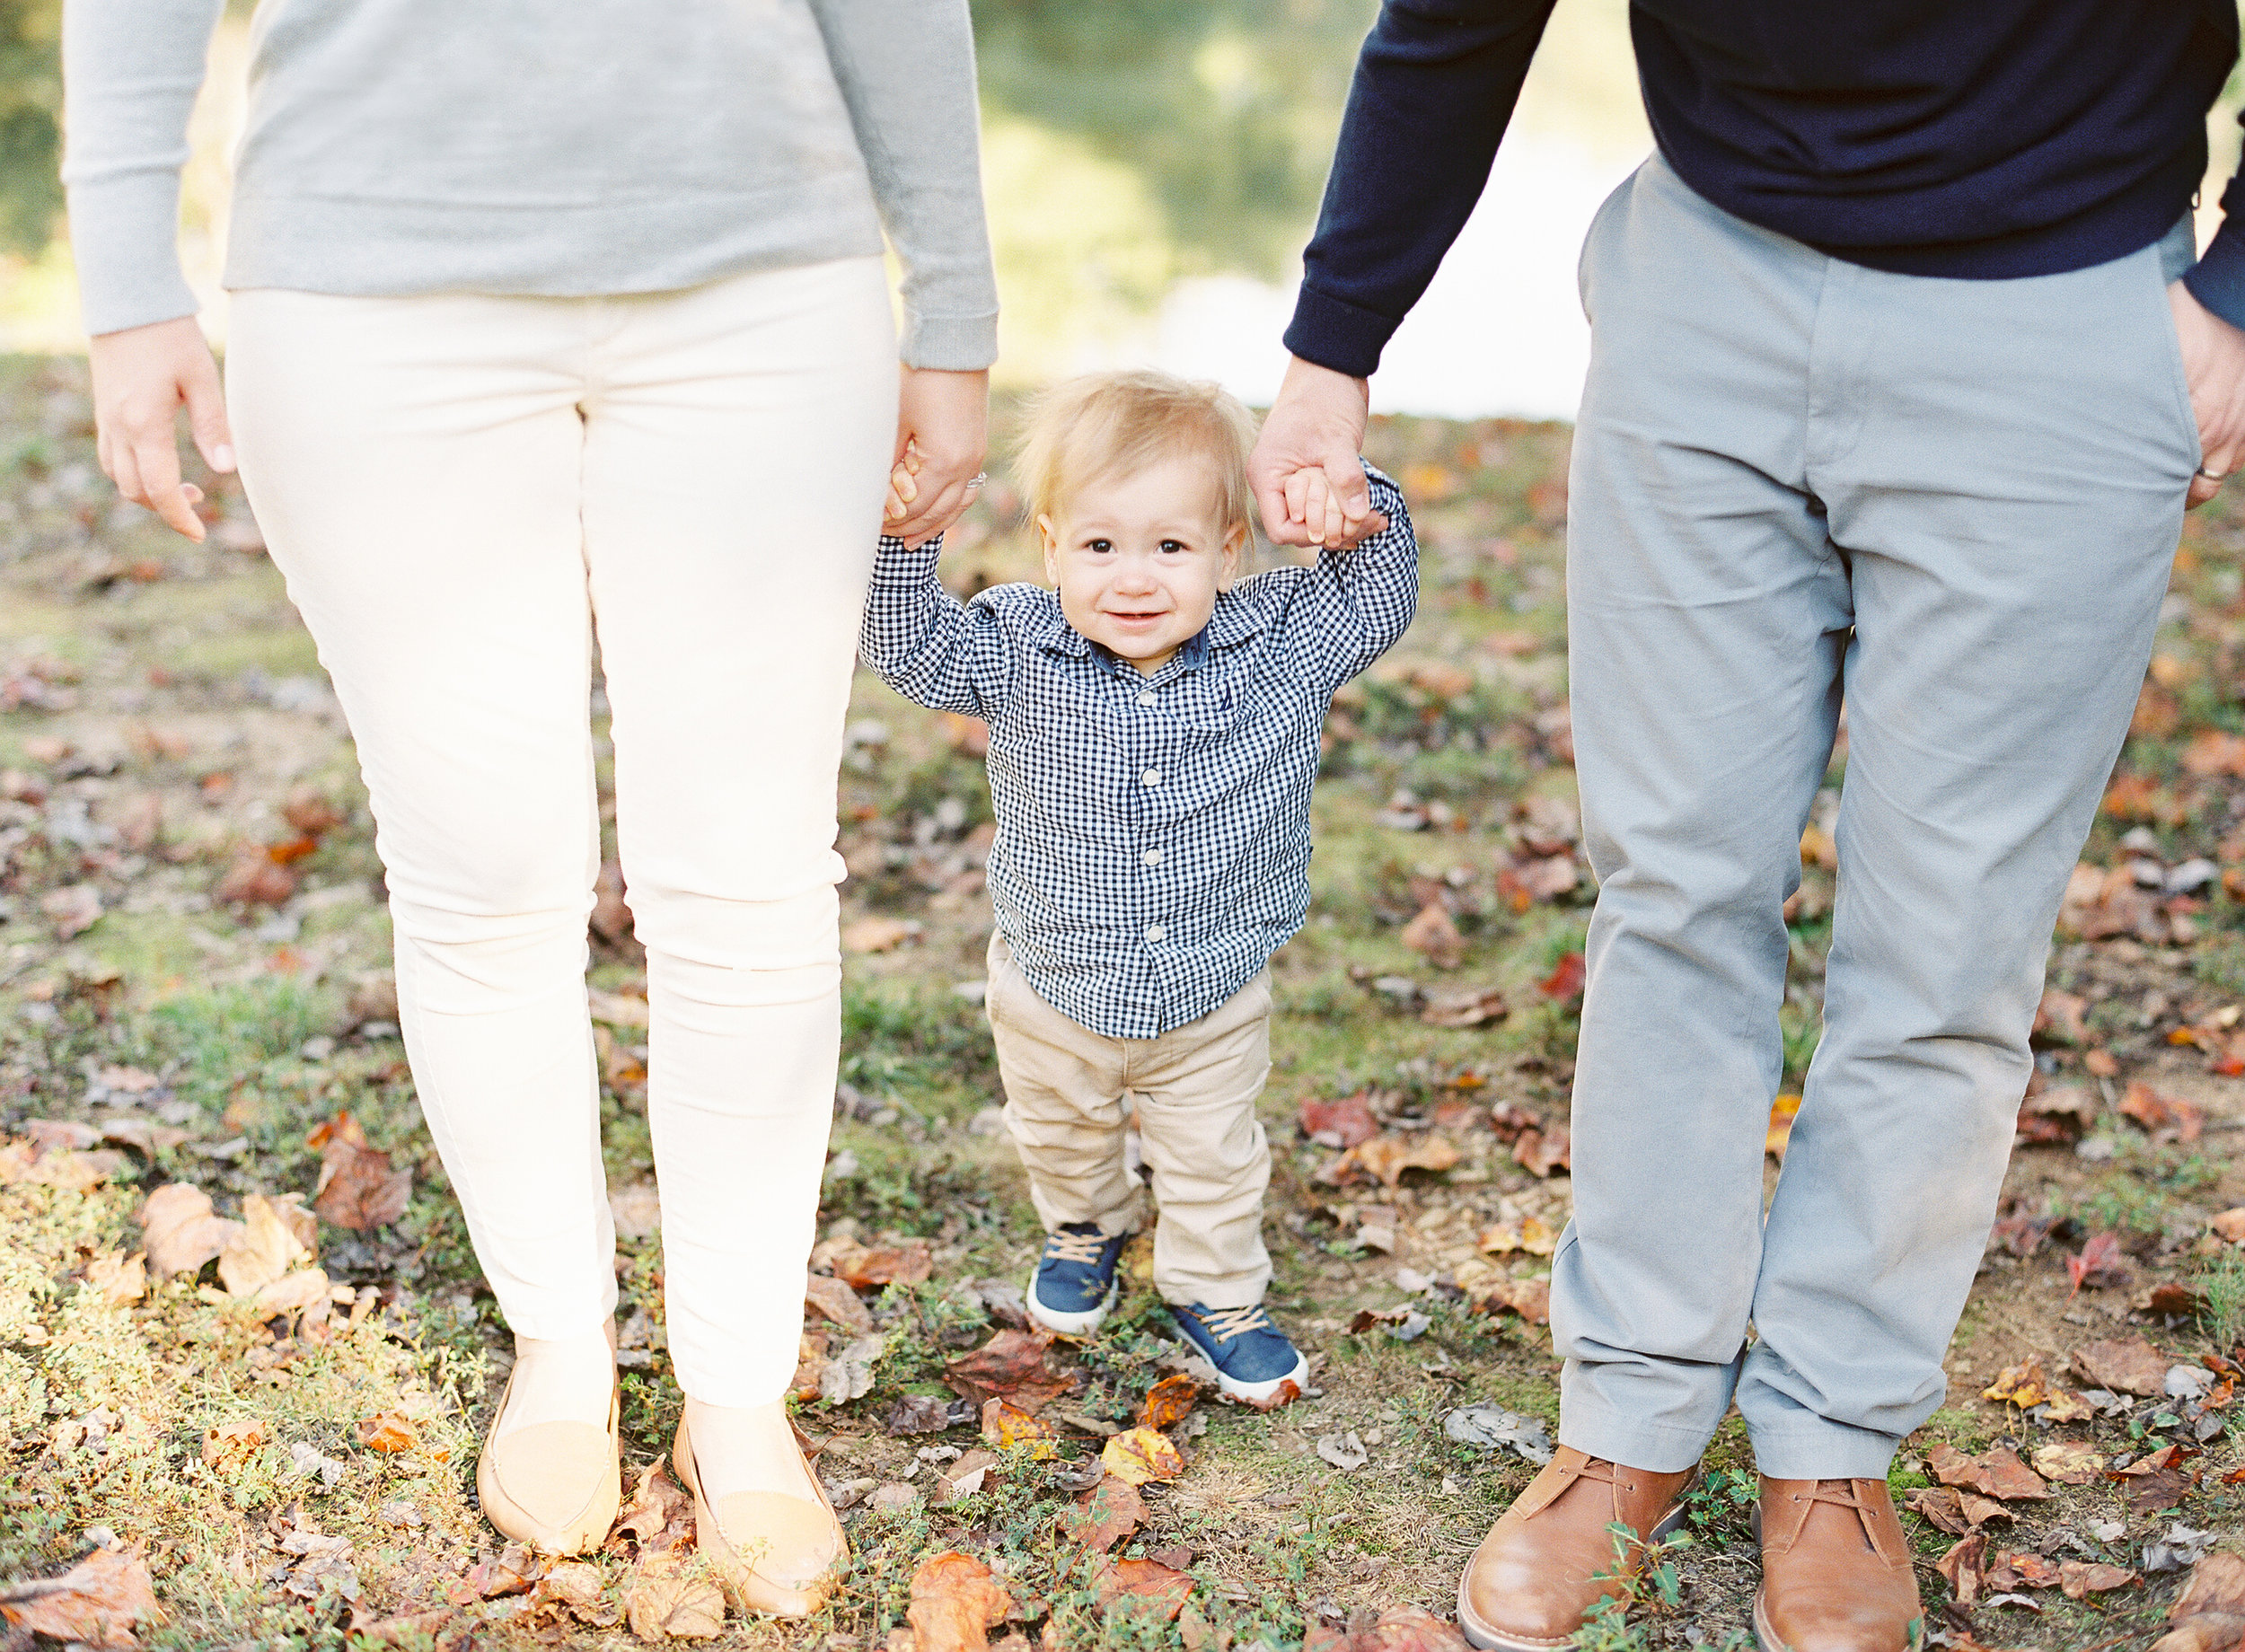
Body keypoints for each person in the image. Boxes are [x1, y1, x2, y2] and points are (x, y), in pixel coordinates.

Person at [1251, 4, 2245, 1648]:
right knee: (1675, 887)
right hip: (1711, 282)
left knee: (1948, 948)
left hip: (2063, 322)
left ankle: (1832, 1443)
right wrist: (1331, 346)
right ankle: (1629, 1416)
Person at [60, 0, 997, 1618]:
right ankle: (561, 1342)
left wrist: (957, 303)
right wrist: (129, 286)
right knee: (482, 870)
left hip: (764, 276)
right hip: (363, 290)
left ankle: (735, 1393)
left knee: (748, 873)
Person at [859, 371, 1417, 1402]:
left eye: (1171, 546)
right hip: (1050, 978)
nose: (1134, 578)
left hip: (1211, 979)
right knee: (1060, 1130)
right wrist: (902, 541)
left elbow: (1377, 599)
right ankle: (1086, 1226)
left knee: (1213, 1156)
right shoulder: (1017, 646)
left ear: (1228, 552)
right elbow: (908, 647)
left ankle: (1216, 1287)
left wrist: (1347, 499)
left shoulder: (1281, 645)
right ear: (1050, 544)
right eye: (1100, 544)